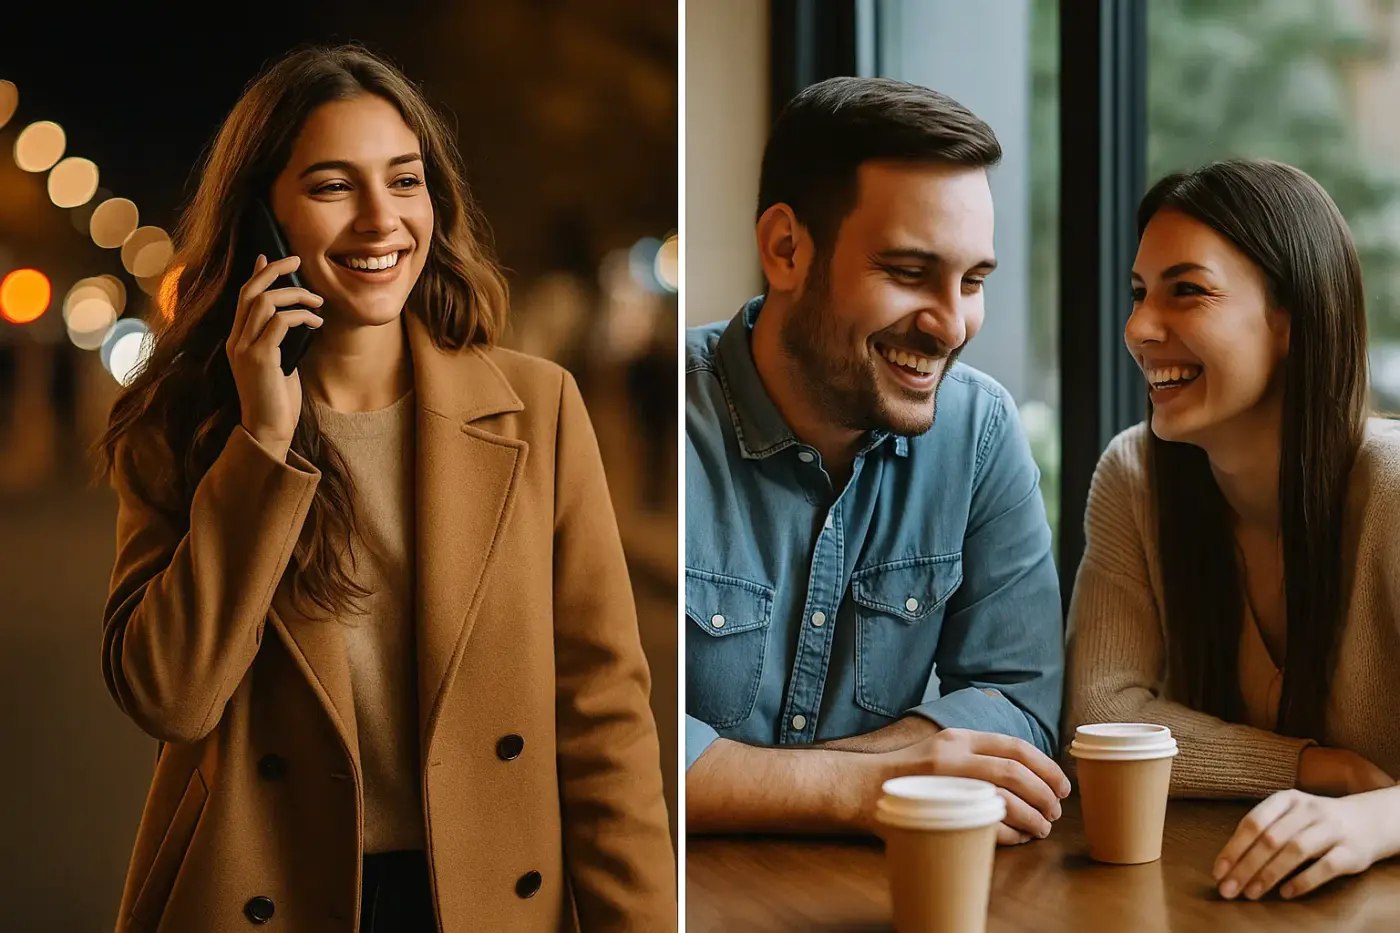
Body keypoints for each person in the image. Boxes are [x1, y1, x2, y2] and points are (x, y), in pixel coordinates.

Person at [97, 44, 674, 933]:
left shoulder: (538, 409)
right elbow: (171, 696)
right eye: (333, 187)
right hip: (271, 892)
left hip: (488, 899)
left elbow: (604, 725)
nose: (381, 221)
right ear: (262, 220)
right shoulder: (182, 432)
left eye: (404, 181)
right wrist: (263, 440)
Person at [685, 77, 1069, 847]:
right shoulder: (659, 418)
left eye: (974, 281)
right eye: (908, 272)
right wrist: (869, 783)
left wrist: (753, 781)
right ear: (786, 249)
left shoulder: (982, 430)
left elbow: (1020, 707)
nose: (952, 324)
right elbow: (615, 738)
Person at [1066, 158, 1400, 902]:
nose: (1139, 329)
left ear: (1292, 320)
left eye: (1188, 291)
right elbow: (1102, 719)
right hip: (1221, 898)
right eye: (1138, 294)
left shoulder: (1393, 488)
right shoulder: (1134, 477)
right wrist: (1311, 765)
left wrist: (1378, 821)